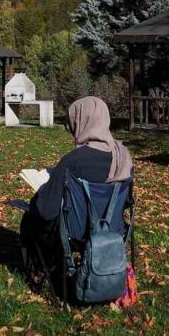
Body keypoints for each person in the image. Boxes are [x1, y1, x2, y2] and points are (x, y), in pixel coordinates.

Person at [19, 96, 133, 254]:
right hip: (112, 229)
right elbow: (126, 201)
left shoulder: (72, 161)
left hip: (75, 234)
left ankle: (47, 269)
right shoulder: (123, 157)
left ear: (80, 122)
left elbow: (47, 211)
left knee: (30, 220)